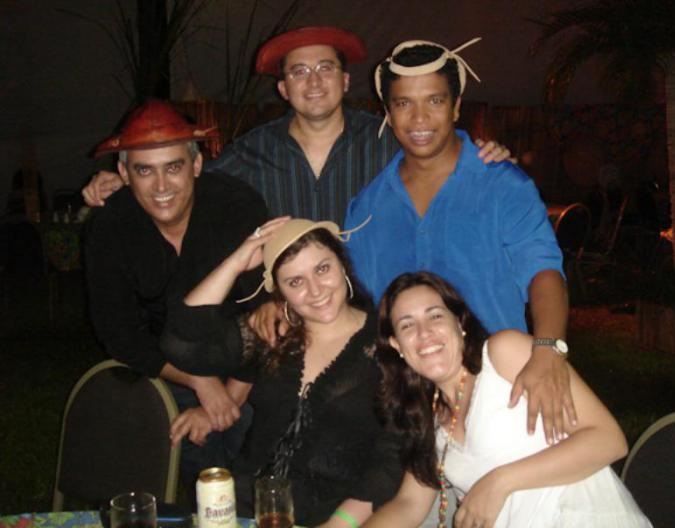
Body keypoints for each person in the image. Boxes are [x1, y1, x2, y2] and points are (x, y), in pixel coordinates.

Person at [345, 39, 572, 444]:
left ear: (456, 106)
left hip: (506, 390)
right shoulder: (367, 208)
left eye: (434, 100)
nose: (419, 118)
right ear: (388, 113)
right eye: (403, 103)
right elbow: (363, 308)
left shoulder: (503, 185)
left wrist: (547, 350)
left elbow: (543, 271)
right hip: (412, 408)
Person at [82, 27, 510, 225]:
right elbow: (185, 185)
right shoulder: (251, 152)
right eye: (300, 72)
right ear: (283, 89)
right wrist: (123, 184)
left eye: (325, 68)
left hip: (376, 304)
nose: (314, 81)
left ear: (345, 81)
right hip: (287, 310)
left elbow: (440, 156)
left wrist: (486, 155)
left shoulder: (385, 140)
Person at [161, 218, 403, 527]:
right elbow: (178, 342)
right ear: (279, 291)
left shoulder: (387, 344)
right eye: (295, 282)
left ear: (342, 263)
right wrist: (237, 263)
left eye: (322, 269)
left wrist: (340, 523)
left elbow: (391, 457)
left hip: (334, 517)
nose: (315, 290)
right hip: (246, 510)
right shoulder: (273, 334)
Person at [364, 271, 651, 528]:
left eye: (435, 316)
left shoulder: (502, 355)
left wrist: (499, 482)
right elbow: (408, 505)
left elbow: (609, 440)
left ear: (459, 322)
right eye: (407, 325)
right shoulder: (431, 419)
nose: (424, 333)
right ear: (396, 345)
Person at [83, 99, 267, 490]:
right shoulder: (110, 227)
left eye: (173, 167)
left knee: (255, 461)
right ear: (124, 173)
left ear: (196, 165)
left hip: (247, 360)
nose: (162, 186)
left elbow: (266, 313)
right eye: (144, 170)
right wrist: (200, 383)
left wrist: (228, 399)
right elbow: (118, 332)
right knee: (187, 456)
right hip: (165, 367)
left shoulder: (237, 207)